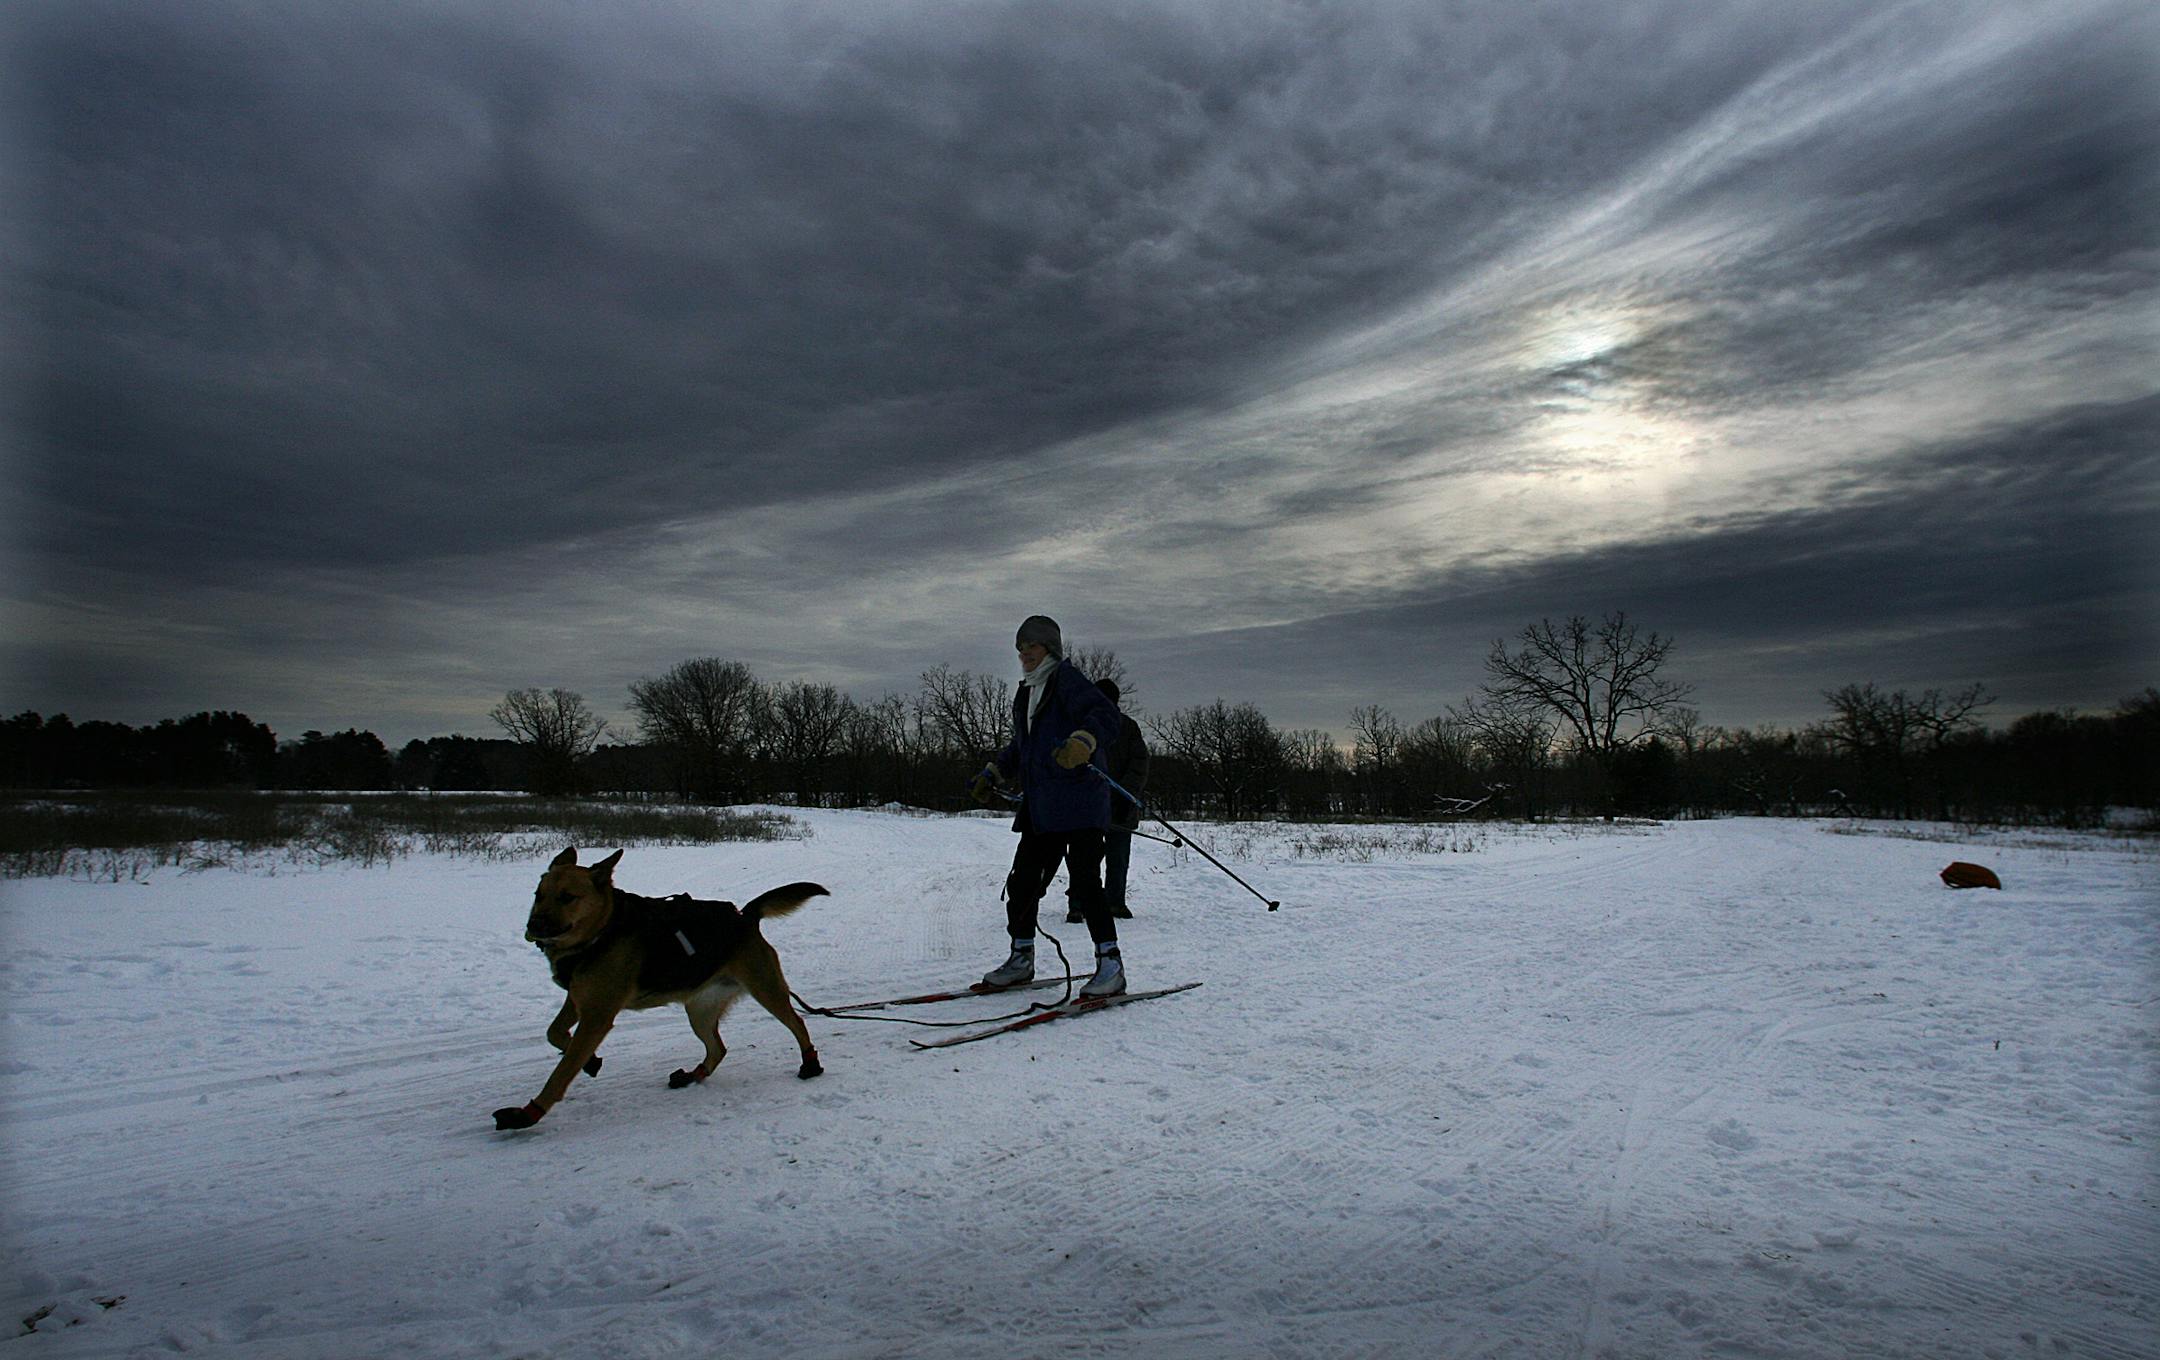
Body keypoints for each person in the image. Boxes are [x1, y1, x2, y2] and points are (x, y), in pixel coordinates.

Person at [969, 615, 1129, 998]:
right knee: (1023, 880)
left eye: (1033, 647)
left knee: (1086, 882)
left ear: (1050, 650)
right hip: (1043, 806)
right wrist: (993, 772)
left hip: (1079, 801)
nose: (1025, 654)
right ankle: (1021, 957)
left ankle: (1111, 965)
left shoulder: (1067, 681)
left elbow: (1106, 716)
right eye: (1021, 648)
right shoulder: (1027, 692)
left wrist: (1083, 741)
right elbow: (1022, 748)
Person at [1069, 676, 1147, 922]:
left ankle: (1115, 902)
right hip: (1088, 805)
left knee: (1118, 857)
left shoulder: (1128, 727)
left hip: (1121, 804)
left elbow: (1139, 763)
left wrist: (1126, 794)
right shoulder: (1080, 727)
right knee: (1083, 856)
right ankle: (1078, 903)